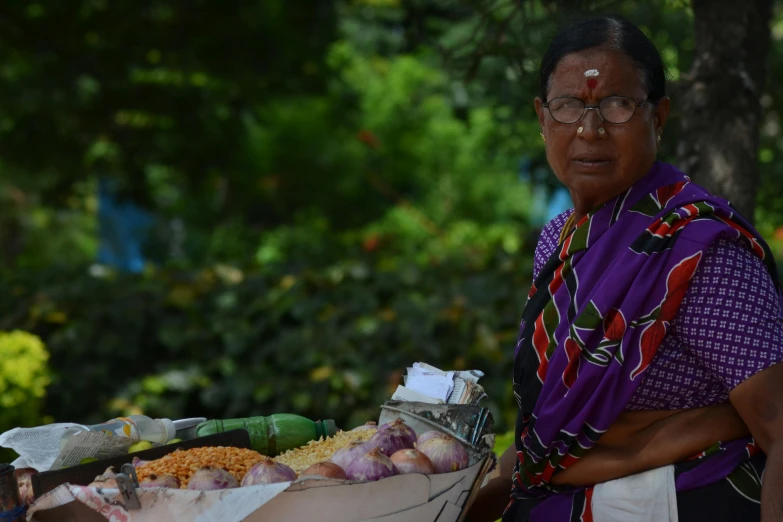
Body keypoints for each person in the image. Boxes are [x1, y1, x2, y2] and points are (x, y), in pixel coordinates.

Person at [468, 15, 783, 522]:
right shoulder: (558, 240)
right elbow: (550, 424)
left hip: (688, 501)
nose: (589, 130)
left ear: (657, 117)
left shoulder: (696, 249)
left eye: (617, 105)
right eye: (569, 105)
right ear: (542, 117)